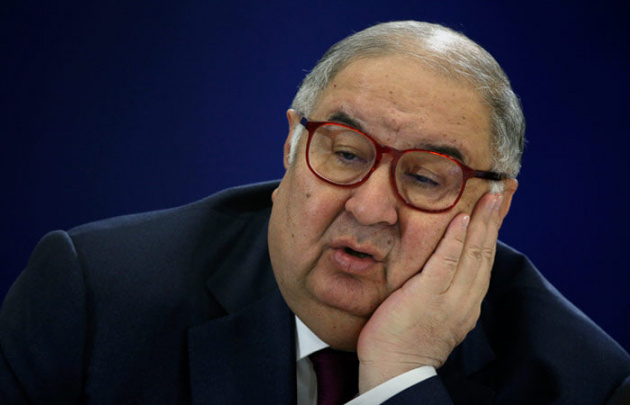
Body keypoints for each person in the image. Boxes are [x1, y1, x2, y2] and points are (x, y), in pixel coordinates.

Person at [1, 20, 629, 405]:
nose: (371, 207)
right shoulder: (96, 295)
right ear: (292, 146)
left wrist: (401, 379)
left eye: (425, 177)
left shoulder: (583, 383)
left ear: (494, 205)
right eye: (346, 153)